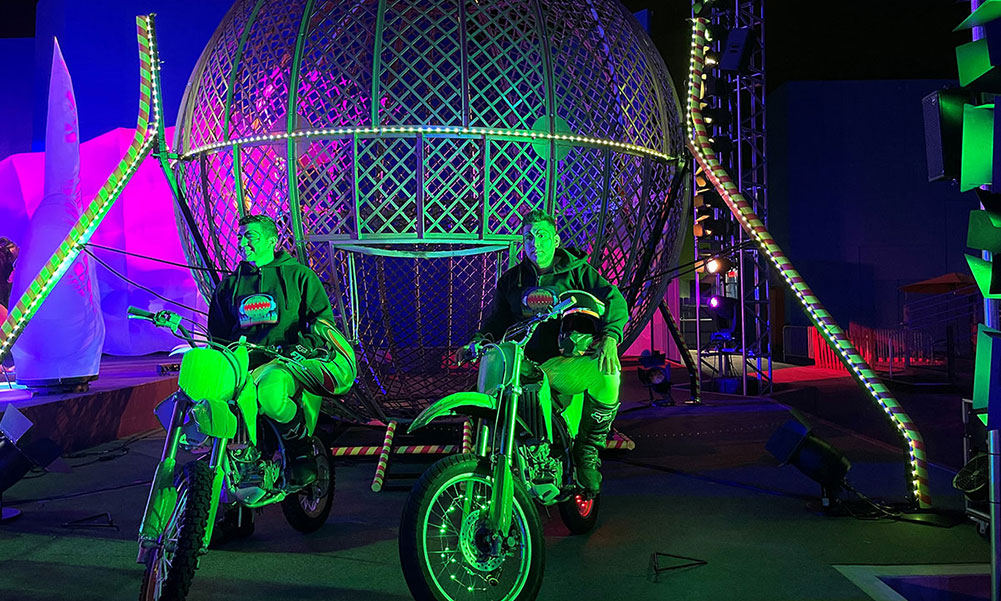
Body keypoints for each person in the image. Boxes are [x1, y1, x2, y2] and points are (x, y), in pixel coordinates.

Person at [460, 209, 628, 495]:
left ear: (555, 240)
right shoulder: (511, 281)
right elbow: (496, 321)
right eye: (529, 237)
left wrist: (611, 337)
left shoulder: (578, 272)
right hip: (519, 364)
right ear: (522, 243)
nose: (535, 243)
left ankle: (588, 449)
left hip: (560, 364)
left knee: (608, 371)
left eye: (542, 235)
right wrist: (477, 341)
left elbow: (614, 299)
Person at [207, 214, 356, 486]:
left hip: (282, 362)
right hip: (241, 365)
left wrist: (301, 346)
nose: (241, 242)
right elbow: (216, 335)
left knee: (270, 395)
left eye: (249, 236)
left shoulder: (300, 277)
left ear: (272, 241)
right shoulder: (228, 286)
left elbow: (322, 325)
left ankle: (299, 448)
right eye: (239, 236)